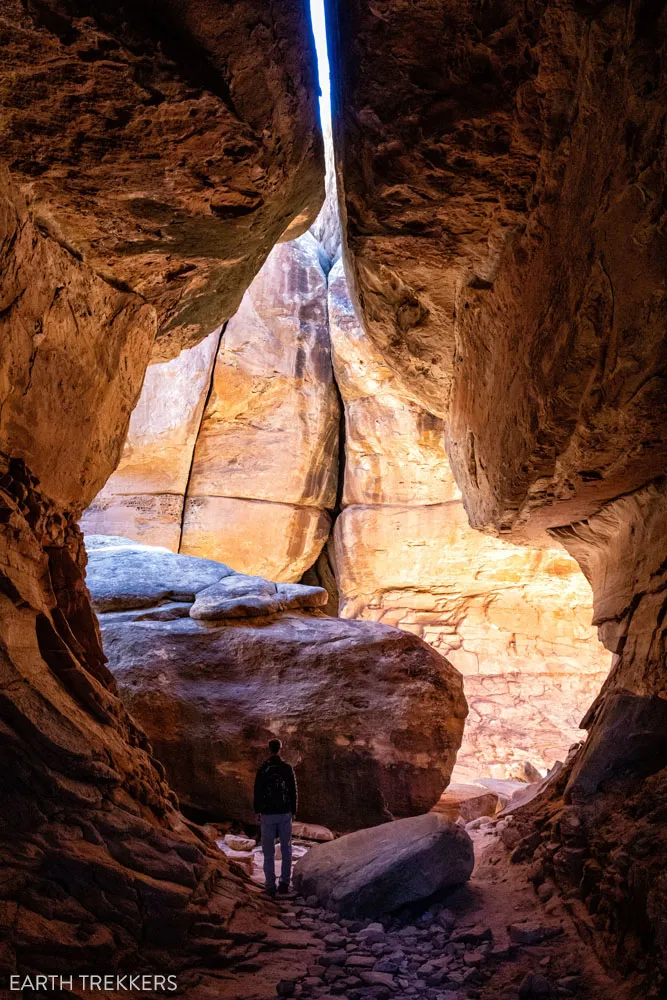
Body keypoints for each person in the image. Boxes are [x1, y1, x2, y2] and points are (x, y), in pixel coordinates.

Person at [253, 738, 298, 896]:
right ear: (280, 748)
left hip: (267, 814)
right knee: (286, 849)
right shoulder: (287, 768)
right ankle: (285, 883)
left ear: (269, 749)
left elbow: (257, 791)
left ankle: (270, 885)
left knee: (268, 851)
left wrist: (258, 810)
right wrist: (293, 811)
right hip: (285, 812)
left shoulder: (264, 768)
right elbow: (293, 791)